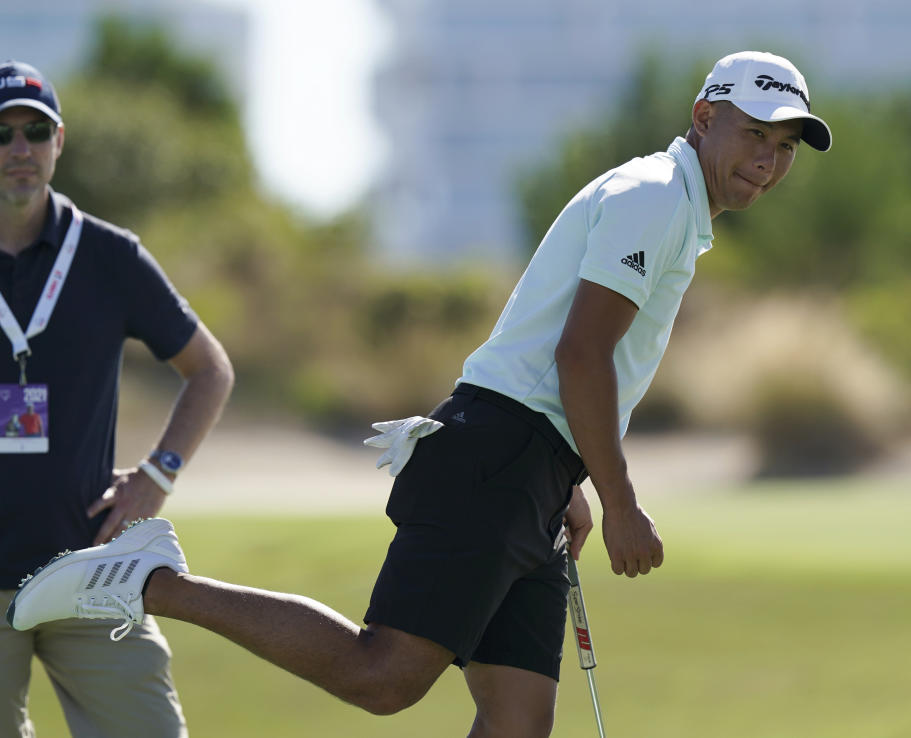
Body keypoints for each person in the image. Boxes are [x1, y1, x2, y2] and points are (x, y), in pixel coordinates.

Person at [7, 51, 830, 737]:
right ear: (703, 116)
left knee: (516, 719)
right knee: (385, 676)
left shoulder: (675, 205)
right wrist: (620, 501)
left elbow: (566, 361)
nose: (767, 160)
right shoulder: (654, 197)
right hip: (496, 456)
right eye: (754, 134)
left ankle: (152, 580)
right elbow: (583, 355)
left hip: (532, 464)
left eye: (785, 147)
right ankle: (151, 581)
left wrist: (571, 478)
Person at [0, 60, 234, 738]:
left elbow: (209, 369)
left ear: (59, 142)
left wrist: (158, 476)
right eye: (3, 133)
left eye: (34, 133)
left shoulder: (109, 256)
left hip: (86, 566)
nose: (19, 149)